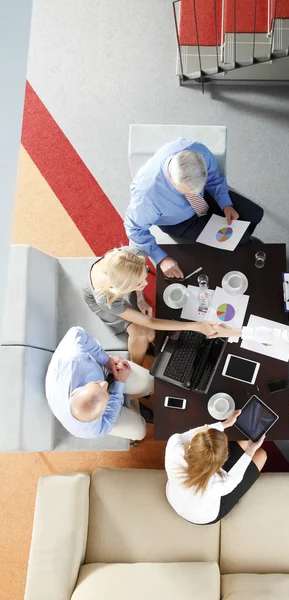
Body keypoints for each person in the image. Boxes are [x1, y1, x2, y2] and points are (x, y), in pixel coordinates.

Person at [124, 139, 264, 278]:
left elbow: (214, 179)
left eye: (196, 189)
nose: (193, 195)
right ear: (171, 177)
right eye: (187, 192)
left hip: (207, 195)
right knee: (241, 240)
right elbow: (134, 229)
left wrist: (226, 204)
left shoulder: (198, 151)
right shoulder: (147, 196)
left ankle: (243, 240)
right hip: (180, 222)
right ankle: (244, 242)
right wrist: (161, 258)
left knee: (255, 214)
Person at [83, 247, 217, 365]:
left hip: (120, 288)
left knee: (151, 334)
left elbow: (136, 275)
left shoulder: (131, 255)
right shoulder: (106, 299)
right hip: (108, 304)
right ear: (125, 288)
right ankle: (137, 365)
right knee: (141, 334)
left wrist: (140, 299)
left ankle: (147, 350)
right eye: (139, 283)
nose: (146, 284)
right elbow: (149, 321)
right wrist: (196, 325)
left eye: (144, 277)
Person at [46, 327, 155, 440]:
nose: (105, 385)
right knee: (139, 432)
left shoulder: (74, 357)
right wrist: (120, 382)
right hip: (99, 407)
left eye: (97, 384)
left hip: (99, 368)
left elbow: (77, 332)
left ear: (75, 393)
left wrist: (107, 360)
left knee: (150, 382)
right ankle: (129, 402)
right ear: (99, 417)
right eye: (106, 394)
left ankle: (128, 398)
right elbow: (108, 418)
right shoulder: (91, 429)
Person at [165, 410, 267, 524]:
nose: (205, 426)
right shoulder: (223, 482)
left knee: (244, 442)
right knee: (261, 455)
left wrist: (224, 424)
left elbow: (191, 434)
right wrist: (251, 449)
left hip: (173, 497)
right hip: (203, 517)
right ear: (223, 461)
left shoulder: (174, 446)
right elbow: (235, 478)